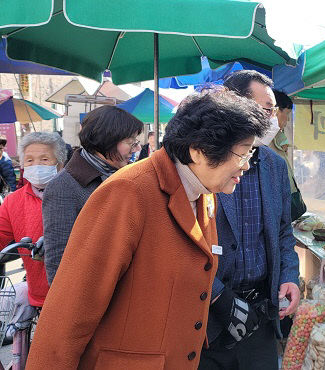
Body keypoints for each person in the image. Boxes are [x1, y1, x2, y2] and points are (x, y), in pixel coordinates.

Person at [27, 89, 269, 369]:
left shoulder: (204, 192)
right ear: (198, 151)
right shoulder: (128, 192)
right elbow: (70, 310)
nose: (246, 165)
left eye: (250, 152)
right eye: (241, 154)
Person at [199, 71, 300, 370]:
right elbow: (183, 243)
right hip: (208, 315)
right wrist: (220, 298)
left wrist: (289, 276)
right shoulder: (205, 163)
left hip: (261, 313)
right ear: (235, 106)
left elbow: (284, 230)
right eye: (266, 110)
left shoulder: (275, 166)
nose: (272, 118)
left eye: (273, 111)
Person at [42, 105, 143, 285]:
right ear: (107, 140)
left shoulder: (124, 176)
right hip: (91, 293)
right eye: (130, 142)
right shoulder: (63, 187)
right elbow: (59, 261)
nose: (136, 149)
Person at [0, 132, 66, 308]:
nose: (36, 165)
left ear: (60, 163)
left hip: (74, 292)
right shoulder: (13, 201)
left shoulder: (75, 193)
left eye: (44, 159)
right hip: (38, 293)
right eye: (29, 160)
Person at [271, 89, 305, 221]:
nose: (288, 120)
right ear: (276, 111)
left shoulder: (278, 135)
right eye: (287, 114)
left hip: (287, 199)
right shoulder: (261, 141)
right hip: (277, 204)